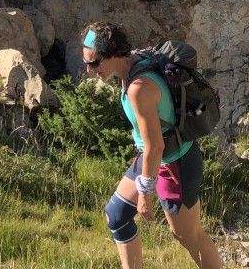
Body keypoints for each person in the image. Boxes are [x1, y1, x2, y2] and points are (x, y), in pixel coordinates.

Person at [82, 22, 223, 269]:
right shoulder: (132, 63)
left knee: (188, 236)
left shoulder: (139, 88)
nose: (89, 70)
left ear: (113, 54)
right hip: (153, 157)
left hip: (175, 164)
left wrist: (145, 194)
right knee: (117, 215)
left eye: (94, 63)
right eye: (86, 62)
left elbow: (155, 146)